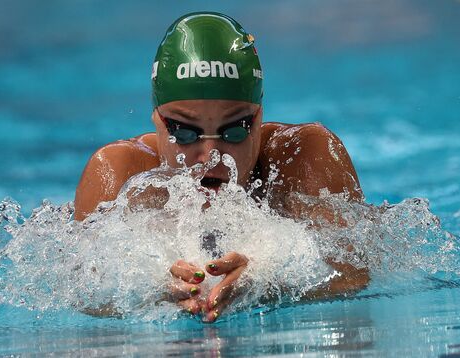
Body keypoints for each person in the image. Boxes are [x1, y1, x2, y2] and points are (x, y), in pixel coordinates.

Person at [74, 12, 369, 322]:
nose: (211, 155)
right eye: (185, 133)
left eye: (235, 131)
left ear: (258, 119)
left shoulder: (302, 156)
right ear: (157, 121)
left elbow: (353, 275)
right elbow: (83, 292)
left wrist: (265, 280)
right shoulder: (121, 172)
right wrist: (153, 287)